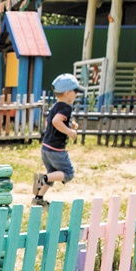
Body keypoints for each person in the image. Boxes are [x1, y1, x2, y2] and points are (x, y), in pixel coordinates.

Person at [33, 74, 82, 206]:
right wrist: (70, 132)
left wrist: (71, 124)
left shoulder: (56, 106)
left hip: (46, 148)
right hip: (56, 150)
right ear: (67, 93)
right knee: (68, 173)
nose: (76, 95)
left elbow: (55, 120)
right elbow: (56, 121)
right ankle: (42, 179)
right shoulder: (66, 108)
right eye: (75, 92)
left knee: (53, 173)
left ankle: (39, 198)